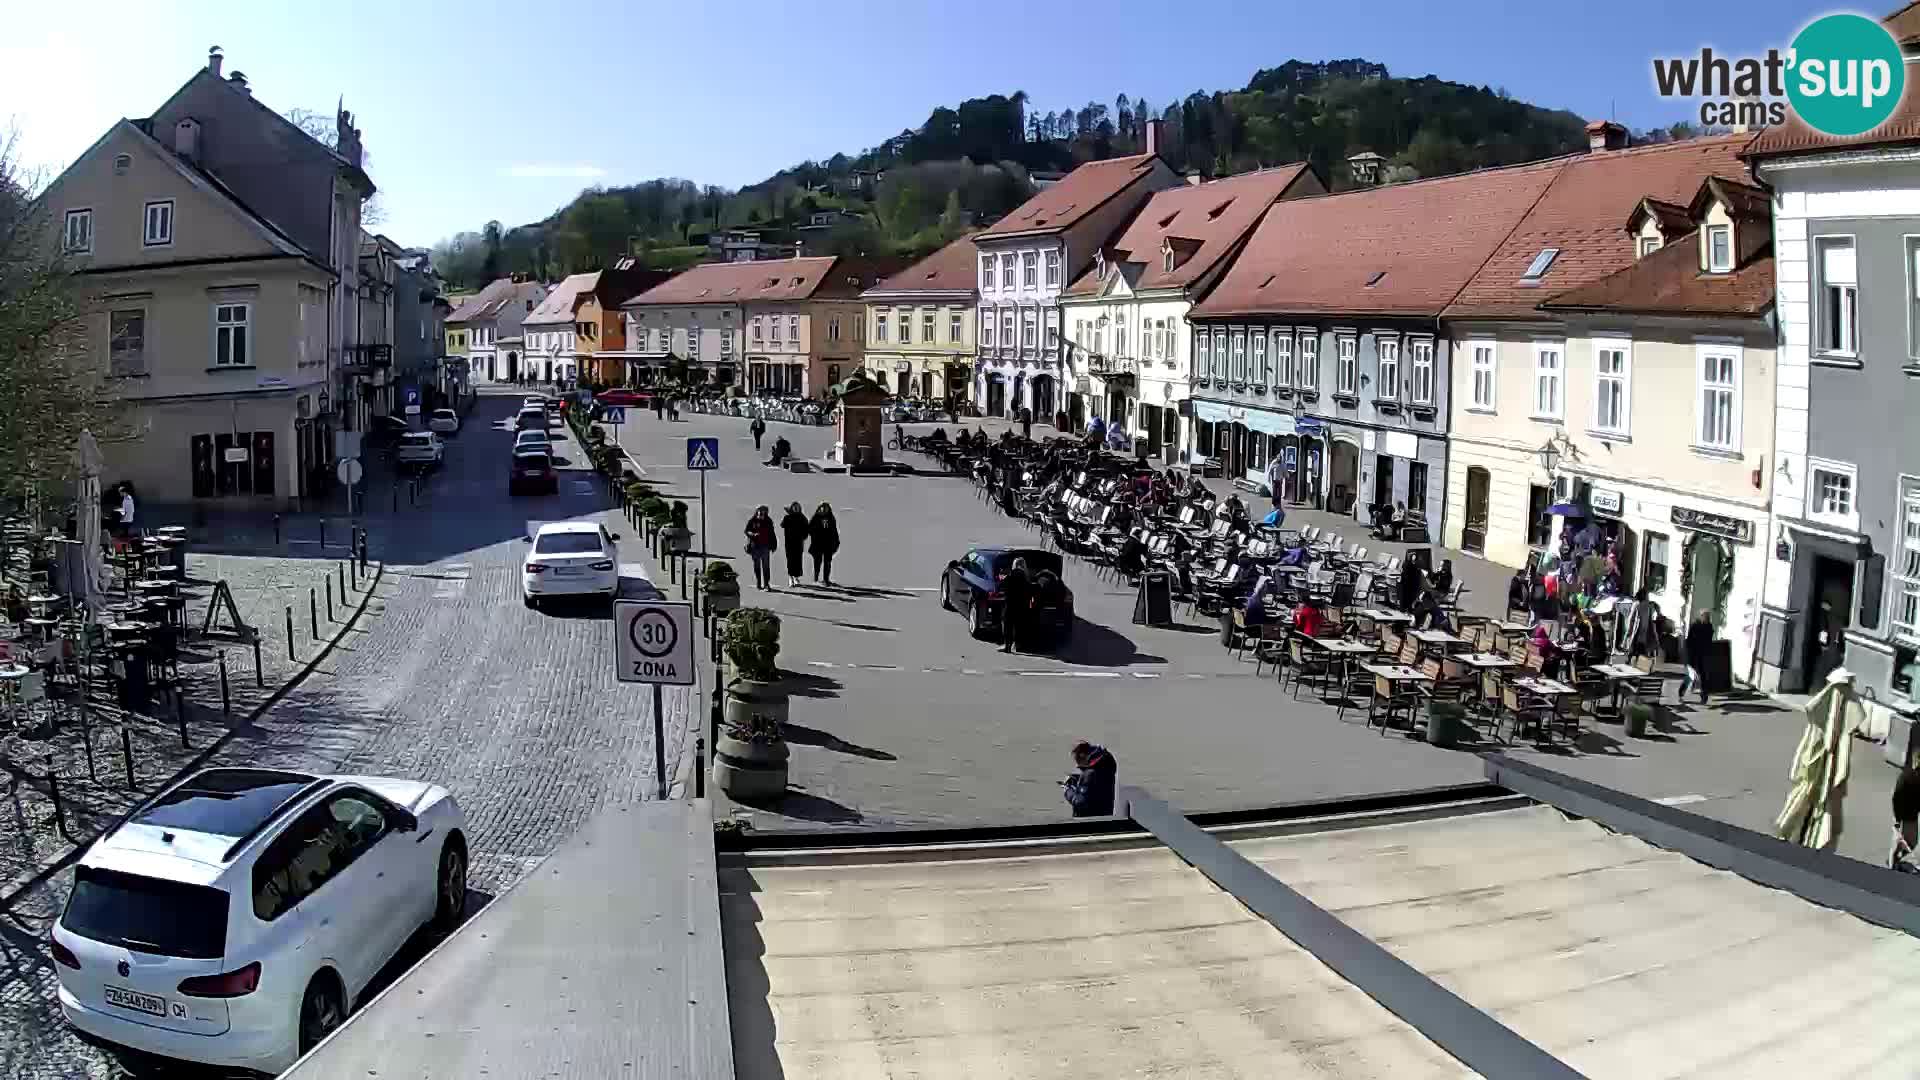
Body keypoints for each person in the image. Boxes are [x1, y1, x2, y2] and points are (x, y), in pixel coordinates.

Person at [1061, 741, 1117, 817]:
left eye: (1077, 760)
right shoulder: (1106, 766)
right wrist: (1080, 780)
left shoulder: (1089, 775)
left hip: (1088, 822)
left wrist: (1067, 791)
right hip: (1105, 816)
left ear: (1082, 755)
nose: (1077, 765)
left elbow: (1080, 802)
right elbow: (1096, 787)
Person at [1678, 610, 1716, 704]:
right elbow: (1689, 641)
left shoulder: (1709, 627)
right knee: (1691, 676)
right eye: (1706, 617)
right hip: (1693, 654)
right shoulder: (1695, 626)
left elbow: (1709, 642)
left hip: (1702, 655)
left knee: (1703, 676)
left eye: (1708, 617)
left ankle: (1704, 697)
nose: (1707, 619)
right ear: (1702, 616)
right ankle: (1681, 693)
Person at [1891, 766, 1920, 873]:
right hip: (1907, 817)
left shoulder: (1906, 776)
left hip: (1909, 816)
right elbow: (1897, 798)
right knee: (1907, 842)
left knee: (1904, 841)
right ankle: (1896, 863)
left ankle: (1896, 861)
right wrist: (1898, 820)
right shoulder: (1907, 777)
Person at [999, 557, 1031, 653]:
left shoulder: (1011, 575)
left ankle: (1007, 646)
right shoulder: (1026, 578)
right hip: (1022, 605)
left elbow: (1003, 587)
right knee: (1019, 626)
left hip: (1010, 604)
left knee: (1007, 625)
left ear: (1015, 565)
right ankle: (1017, 645)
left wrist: (1002, 578)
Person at [742, 506, 777, 589]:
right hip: (755, 546)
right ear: (757, 512)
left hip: (765, 546)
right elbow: (746, 531)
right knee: (757, 565)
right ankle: (758, 582)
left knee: (766, 566)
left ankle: (766, 584)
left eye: (763, 512)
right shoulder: (752, 520)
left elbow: (772, 533)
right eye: (760, 511)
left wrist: (774, 544)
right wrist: (753, 534)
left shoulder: (768, 521)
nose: (761, 513)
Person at [808, 503, 840, 585]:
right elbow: (810, 529)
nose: (824, 510)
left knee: (827, 562)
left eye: (826, 508)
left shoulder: (831, 518)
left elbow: (834, 531)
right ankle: (816, 578)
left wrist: (836, 542)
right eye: (822, 508)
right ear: (819, 508)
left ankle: (826, 579)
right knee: (817, 562)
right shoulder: (815, 517)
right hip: (818, 544)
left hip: (828, 544)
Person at [778, 503, 809, 587]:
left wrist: (804, 537)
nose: (796, 509)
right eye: (794, 508)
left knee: (798, 561)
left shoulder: (802, 517)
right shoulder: (787, 517)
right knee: (790, 560)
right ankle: (790, 578)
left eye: (797, 507)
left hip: (799, 543)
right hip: (789, 543)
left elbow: (807, 528)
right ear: (792, 508)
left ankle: (796, 577)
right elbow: (782, 525)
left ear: (800, 508)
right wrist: (789, 514)